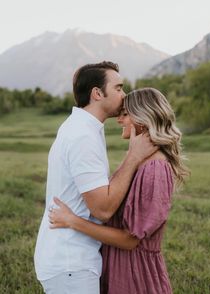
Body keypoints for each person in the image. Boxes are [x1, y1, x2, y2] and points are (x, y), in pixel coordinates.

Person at [49, 87, 189, 294]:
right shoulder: (141, 160)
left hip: (135, 274)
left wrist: (72, 221)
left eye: (125, 114)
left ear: (142, 118)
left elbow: (130, 240)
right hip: (120, 266)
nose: (119, 120)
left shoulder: (155, 169)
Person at [34, 62, 157, 294]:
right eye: (119, 88)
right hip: (71, 262)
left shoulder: (83, 128)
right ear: (97, 93)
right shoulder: (82, 137)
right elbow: (102, 209)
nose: (124, 95)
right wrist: (133, 157)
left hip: (71, 257)